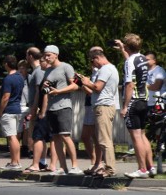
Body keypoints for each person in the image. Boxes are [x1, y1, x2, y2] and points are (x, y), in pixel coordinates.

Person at [116, 34, 154, 178]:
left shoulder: (129, 62)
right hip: (144, 100)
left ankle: (142, 169)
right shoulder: (143, 58)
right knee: (142, 135)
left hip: (133, 101)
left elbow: (129, 84)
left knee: (136, 137)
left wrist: (125, 106)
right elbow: (132, 63)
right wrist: (122, 49)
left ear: (127, 46)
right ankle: (150, 167)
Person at [41, 45, 82, 175]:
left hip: (64, 106)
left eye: (49, 55)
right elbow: (46, 89)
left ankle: (75, 166)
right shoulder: (47, 71)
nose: (46, 57)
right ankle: (63, 167)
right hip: (51, 107)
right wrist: (46, 86)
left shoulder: (66, 67)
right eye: (45, 55)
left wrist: (59, 91)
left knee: (65, 136)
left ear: (56, 55)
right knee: (56, 138)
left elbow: (76, 85)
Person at [79, 48, 120, 177]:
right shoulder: (111, 68)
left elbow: (97, 87)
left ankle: (110, 168)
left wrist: (86, 82)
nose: (93, 65)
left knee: (104, 139)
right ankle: (106, 166)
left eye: (93, 61)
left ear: (97, 58)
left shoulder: (105, 69)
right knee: (101, 137)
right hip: (105, 105)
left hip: (103, 106)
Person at [0, 55, 26, 169]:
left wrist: (0, 111)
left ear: (6, 64)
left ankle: (14, 163)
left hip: (9, 110)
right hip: (18, 109)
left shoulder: (8, 79)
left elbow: (5, 97)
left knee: (11, 137)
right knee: (16, 136)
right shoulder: (20, 77)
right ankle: (16, 161)